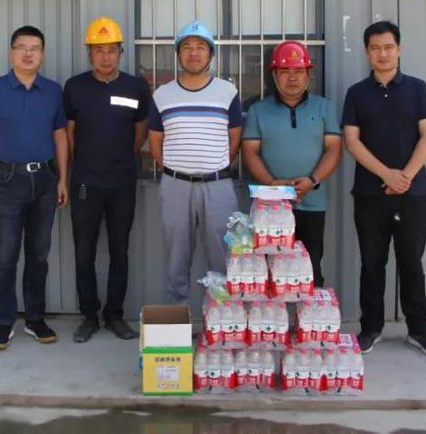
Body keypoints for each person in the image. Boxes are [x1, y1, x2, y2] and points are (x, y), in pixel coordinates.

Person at [341, 20, 426, 358]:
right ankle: (370, 328)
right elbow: (352, 141)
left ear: (399, 49)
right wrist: (386, 174)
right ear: (367, 52)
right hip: (370, 195)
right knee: (372, 263)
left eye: (388, 47)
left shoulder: (418, 89)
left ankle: (420, 330)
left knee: (411, 262)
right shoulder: (356, 93)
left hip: (412, 194)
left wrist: (405, 177)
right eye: (375, 48)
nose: (382, 53)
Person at [0, 25, 68, 351]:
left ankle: (35, 318)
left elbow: (60, 137)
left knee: (38, 255)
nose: (28, 53)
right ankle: (3, 321)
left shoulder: (52, 91)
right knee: (5, 256)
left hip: (45, 180)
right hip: (6, 181)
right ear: (11, 52)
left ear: (42, 54)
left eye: (35, 48)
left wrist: (63, 179)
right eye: (22, 47)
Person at [64, 17, 152, 343]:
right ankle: (89, 316)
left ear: (120, 52)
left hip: (122, 183)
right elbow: (69, 135)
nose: (105, 56)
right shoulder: (75, 87)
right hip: (85, 182)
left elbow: (140, 132)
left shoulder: (136, 87)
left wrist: (120, 159)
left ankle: (114, 315)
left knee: (119, 251)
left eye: (111, 50)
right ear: (89, 53)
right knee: (83, 253)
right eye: (99, 50)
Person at [147, 20, 243, 305]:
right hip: (176, 185)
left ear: (211, 54)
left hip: (218, 185)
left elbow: (234, 138)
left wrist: (214, 165)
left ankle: (222, 318)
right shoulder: (162, 95)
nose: (194, 53)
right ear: (178, 54)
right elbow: (155, 141)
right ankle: (178, 317)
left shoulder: (227, 92)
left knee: (223, 256)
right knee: (176, 258)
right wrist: (177, 168)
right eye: (187, 47)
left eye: (201, 47)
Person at [241, 40, 342, 287]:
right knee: (268, 271)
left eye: (298, 71)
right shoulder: (258, 110)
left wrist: (313, 181)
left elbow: (334, 149)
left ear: (308, 74)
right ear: (274, 75)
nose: (292, 78)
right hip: (270, 206)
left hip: (313, 203)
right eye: (285, 71)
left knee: (310, 268)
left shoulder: (324, 108)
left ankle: (309, 313)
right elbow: (250, 152)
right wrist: (273, 185)